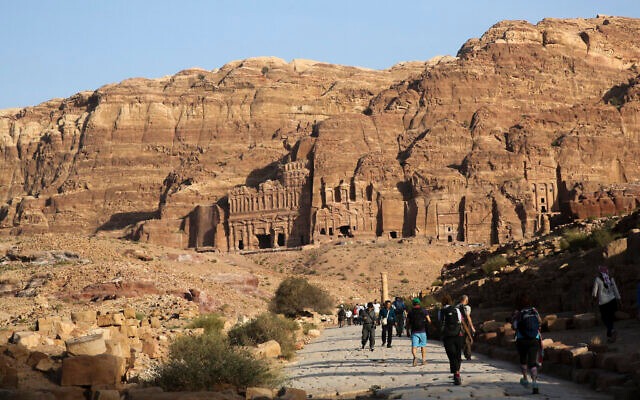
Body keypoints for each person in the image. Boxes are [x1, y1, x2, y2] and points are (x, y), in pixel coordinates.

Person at [511, 293, 542, 395]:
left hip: (522, 339)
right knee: (533, 362)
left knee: (523, 360)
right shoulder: (534, 310)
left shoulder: (518, 313)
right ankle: (535, 383)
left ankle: (525, 379)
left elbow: (515, 326)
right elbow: (540, 322)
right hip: (534, 339)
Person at [592, 265, 622, 342]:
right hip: (612, 301)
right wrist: (619, 299)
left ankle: (611, 331)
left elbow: (594, 292)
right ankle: (609, 336)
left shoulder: (598, 279)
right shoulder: (611, 278)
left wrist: (593, 298)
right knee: (610, 318)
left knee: (605, 319)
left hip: (603, 303)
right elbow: (615, 289)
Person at [440, 293, 464, 385]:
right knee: (458, 355)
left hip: (447, 336)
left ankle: (456, 373)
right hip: (458, 335)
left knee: (451, 355)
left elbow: (440, 323)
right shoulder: (456, 310)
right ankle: (457, 373)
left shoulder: (441, 311)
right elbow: (460, 321)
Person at [405, 297, 431, 366]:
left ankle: (415, 357)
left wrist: (407, 331)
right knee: (423, 346)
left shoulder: (410, 312)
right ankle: (423, 360)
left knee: (414, 346)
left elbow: (407, 322)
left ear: (413, 304)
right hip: (422, 331)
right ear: (419, 303)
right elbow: (429, 320)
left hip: (414, 331)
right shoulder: (424, 310)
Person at [456, 295, 476, 360]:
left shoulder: (456, 306)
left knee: (458, 341)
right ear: (466, 300)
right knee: (467, 340)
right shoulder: (467, 307)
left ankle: (458, 356)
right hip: (465, 326)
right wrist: (472, 327)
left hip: (457, 326)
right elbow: (468, 317)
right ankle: (468, 355)